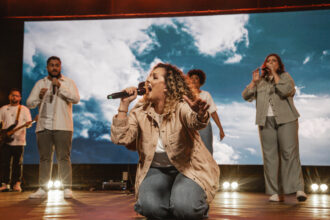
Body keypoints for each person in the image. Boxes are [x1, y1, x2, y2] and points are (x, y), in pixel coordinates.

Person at [111, 63, 220, 219]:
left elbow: (194, 121)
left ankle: (191, 203)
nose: (148, 80)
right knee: (150, 208)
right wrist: (123, 106)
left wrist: (200, 114)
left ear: (167, 87)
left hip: (188, 167)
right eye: (149, 75)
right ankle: (173, 198)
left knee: (185, 208)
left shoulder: (181, 105)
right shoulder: (140, 111)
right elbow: (120, 138)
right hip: (156, 168)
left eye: (154, 77)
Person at [242, 53, 307, 202]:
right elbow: (246, 96)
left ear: (278, 65)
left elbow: (286, 91)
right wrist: (254, 82)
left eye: (274, 61)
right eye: (268, 61)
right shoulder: (260, 81)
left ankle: (298, 189)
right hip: (265, 121)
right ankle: (273, 192)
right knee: (270, 156)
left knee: (289, 153)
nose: (270, 63)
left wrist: (275, 75)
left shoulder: (285, 76)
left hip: (287, 119)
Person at [27, 56, 80, 199]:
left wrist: (60, 87)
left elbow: (76, 99)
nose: (54, 67)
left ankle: (67, 188)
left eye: (57, 65)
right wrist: (39, 96)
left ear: (60, 67)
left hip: (63, 125)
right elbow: (30, 103)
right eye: (51, 65)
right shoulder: (40, 83)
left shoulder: (68, 82)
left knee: (63, 157)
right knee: (45, 158)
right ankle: (43, 189)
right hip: (44, 125)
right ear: (47, 67)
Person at [0, 88, 32, 192]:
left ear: (20, 98)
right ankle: (5, 183)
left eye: (17, 95)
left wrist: (28, 124)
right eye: (12, 95)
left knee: (17, 163)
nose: (14, 97)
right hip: (5, 140)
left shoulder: (24, 109)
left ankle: (16, 184)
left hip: (19, 140)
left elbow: (29, 123)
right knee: (5, 163)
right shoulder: (3, 109)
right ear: (9, 97)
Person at [187, 69, 225, 155]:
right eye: (191, 78)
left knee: (207, 149)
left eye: (196, 78)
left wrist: (221, 129)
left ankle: (208, 168)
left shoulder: (206, 94)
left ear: (200, 82)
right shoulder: (185, 96)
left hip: (204, 125)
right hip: (189, 125)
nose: (193, 80)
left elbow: (213, 112)